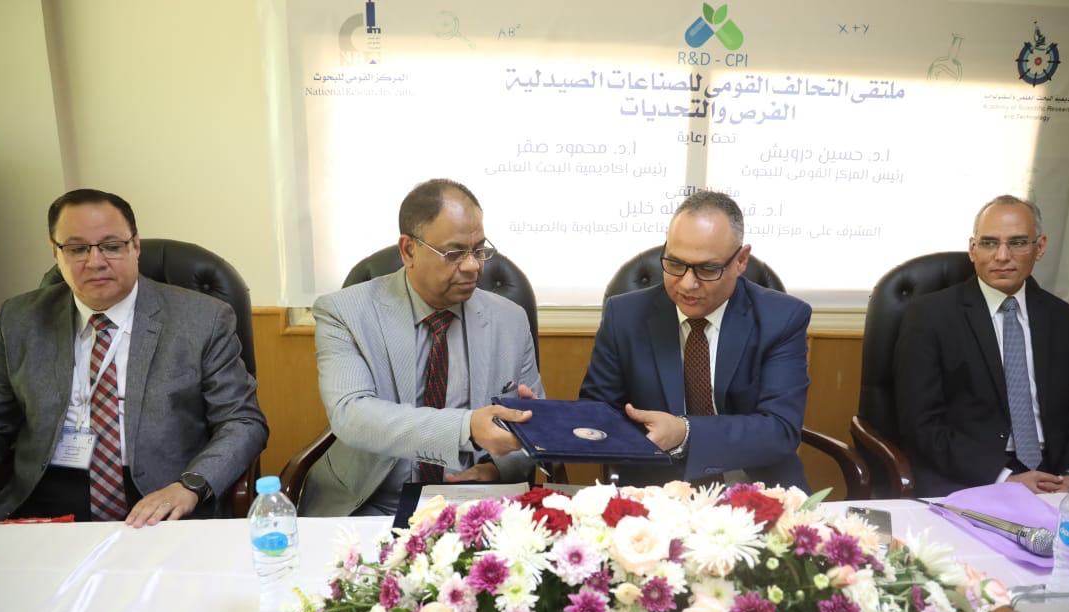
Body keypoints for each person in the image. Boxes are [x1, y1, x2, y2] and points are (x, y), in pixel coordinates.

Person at [0, 188, 268, 525]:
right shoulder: (19, 320)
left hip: (164, 494)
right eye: (77, 249)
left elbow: (242, 421)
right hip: (43, 497)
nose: (95, 262)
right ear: (56, 253)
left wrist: (190, 486)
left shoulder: (202, 319)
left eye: (111, 246)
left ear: (135, 246)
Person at [300, 178, 543, 516]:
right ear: (408, 250)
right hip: (373, 502)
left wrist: (497, 469)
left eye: (479, 250)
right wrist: (466, 428)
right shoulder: (344, 312)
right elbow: (352, 415)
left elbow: (534, 428)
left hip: (473, 501)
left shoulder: (509, 320)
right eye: (454, 253)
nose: (473, 266)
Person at [580, 190, 811, 489]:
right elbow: (596, 414)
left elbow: (779, 429)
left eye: (707, 269)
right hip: (657, 489)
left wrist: (685, 432)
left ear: (741, 260)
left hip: (759, 488)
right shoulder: (624, 316)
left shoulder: (782, 318)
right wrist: (540, 420)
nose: (688, 284)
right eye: (676, 264)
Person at [895, 195, 1069, 499]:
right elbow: (921, 426)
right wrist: (1004, 478)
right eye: (989, 243)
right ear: (972, 249)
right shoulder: (929, 316)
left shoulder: (1062, 318)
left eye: (1017, 243)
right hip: (971, 476)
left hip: (1054, 477)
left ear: (1040, 247)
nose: (1002, 256)